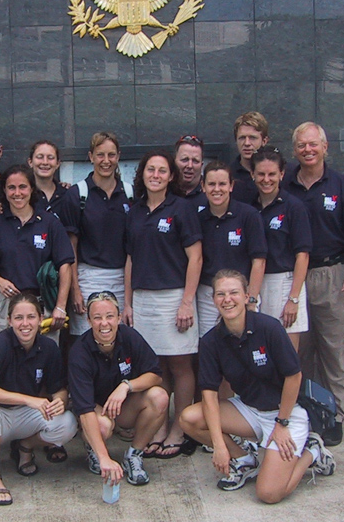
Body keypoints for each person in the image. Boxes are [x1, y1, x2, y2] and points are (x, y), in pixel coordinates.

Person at [180, 270, 336, 503]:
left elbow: (294, 377)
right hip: (249, 410)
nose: (227, 299)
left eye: (234, 292)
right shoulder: (211, 341)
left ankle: (311, 452)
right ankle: (243, 460)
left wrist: (282, 423)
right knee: (189, 418)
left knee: (269, 494)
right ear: (213, 300)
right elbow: (209, 396)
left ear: (247, 296)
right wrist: (219, 445)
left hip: (287, 412)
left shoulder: (269, 328)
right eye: (220, 294)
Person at [284, 122, 344, 446]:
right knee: (299, 352)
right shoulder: (286, 185)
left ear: (325, 146)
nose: (307, 150)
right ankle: (306, 411)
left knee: (335, 349)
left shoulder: (343, 186)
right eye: (301, 145)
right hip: (295, 279)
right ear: (295, 150)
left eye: (313, 144)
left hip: (332, 275)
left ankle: (335, 415)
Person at [123, 150, 203, 459]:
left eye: (162, 170)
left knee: (180, 364)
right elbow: (129, 260)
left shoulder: (181, 209)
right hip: (143, 300)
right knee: (155, 367)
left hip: (174, 297)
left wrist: (186, 302)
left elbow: (195, 257)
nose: (155, 175)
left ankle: (179, 428)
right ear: (142, 174)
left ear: (171, 176)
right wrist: (128, 303)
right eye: (150, 169)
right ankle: (159, 424)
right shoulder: (135, 212)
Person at [0, 293, 77, 506]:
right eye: (18, 318)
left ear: (40, 318)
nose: (25, 324)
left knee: (68, 422)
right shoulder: (0, 344)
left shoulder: (48, 347)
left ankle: (25, 447)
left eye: (31, 317)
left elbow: (59, 389)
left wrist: (60, 401)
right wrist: (28, 399)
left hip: (26, 417)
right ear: (9, 321)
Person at [68, 291, 169, 486]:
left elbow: (155, 374)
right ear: (89, 321)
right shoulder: (79, 352)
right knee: (103, 426)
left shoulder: (129, 336)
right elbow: (84, 410)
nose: (104, 323)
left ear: (119, 317)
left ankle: (134, 455)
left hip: (123, 406)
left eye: (109, 316)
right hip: (95, 408)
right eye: (97, 318)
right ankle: (95, 451)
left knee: (159, 396)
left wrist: (126, 386)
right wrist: (105, 458)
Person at [0, 164, 74, 338]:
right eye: (11, 187)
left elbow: (65, 265)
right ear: (4, 190)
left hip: (42, 304)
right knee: (6, 358)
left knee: (44, 358)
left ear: (32, 189)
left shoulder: (49, 223)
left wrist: (60, 306)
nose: (17, 193)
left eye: (22, 187)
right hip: (6, 304)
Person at [60, 131, 133, 337]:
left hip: (121, 279)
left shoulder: (130, 193)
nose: (106, 161)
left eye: (111, 155)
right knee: (87, 340)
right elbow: (70, 247)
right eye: (100, 155)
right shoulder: (77, 194)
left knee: (119, 339)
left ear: (118, 157)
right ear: (91, 156)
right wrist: (76, 289)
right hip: (88, 278)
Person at [196, 161, 267, 338]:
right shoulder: (197, 219)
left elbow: (259, 260)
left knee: (245, 342)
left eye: (222, 184)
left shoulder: (248, 215)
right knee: (210, 344)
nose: (217, 189)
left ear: (231, 186)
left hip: (241, 293)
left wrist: (251, 299)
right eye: (211, 184)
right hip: (208, 294)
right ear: (203, 186)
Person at [251, 146, 312, 351]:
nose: (266, 179)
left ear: (282, 174)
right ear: (252, 175)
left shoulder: (294, 207)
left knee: (286, 354)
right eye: (261, 174)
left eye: (272, 174)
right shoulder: (250, 208)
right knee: (261, 352)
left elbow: (302, 255)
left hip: (286, 284)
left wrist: (293, 299)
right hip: (256, 284)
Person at [231, 112, 270, 204]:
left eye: (252, 138)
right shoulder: (228, 175)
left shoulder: (279, 173)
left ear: (264, 141)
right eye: (242, 138)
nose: (247, 143)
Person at [174, 134, 208, 212]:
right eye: (185, 159)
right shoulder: (164, 192)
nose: (190, 166)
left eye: (195, 161)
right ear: (174, 162)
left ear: (201, 165)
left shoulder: (211, 193)